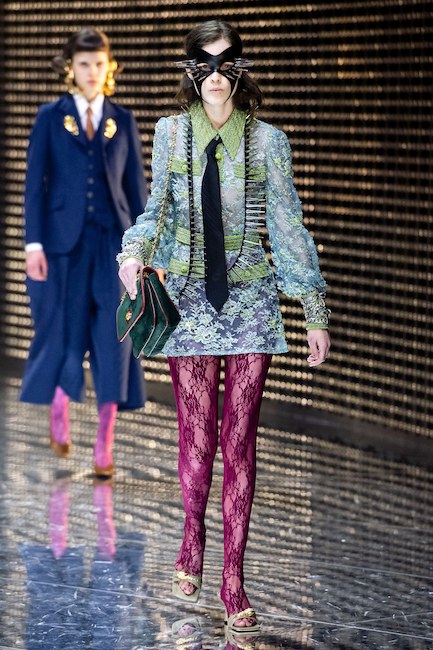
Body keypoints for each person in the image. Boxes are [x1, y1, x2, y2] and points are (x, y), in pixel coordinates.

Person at [118, 19, 331, 637]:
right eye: (204, 64)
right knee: (196, 440)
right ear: (191, 72)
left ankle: (232, 576)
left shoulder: (268, 142)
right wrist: (133, 254)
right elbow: (156, 210)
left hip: (250, 301)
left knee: (239, 443)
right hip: (187, 299)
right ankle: (192, 538)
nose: (215, 76)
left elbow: (287, 225)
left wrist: (313, 309)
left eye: (226, 63)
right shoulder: (170, 132)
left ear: (241, 69)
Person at [21, 28, 147, 477]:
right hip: (63, 247)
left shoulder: (122, 120)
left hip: (113, 245)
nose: (92, 71)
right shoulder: (50, 117)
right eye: (84, 64)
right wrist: (33, 244)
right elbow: (34, 185)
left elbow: (137, 191)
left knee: (116, 338)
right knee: (67, 331)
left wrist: (143, 252)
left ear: (108, 67)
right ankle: (60, 405)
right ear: (70, 68)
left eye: (99, 63)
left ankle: (104, 442)